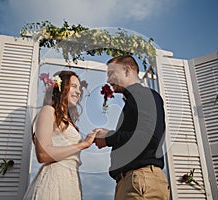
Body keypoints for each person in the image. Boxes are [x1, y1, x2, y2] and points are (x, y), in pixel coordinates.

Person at [94, 55, 169, 200]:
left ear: (127, 70)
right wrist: (108, 135)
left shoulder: (144, 95)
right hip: (132, 182)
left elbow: (149, 137)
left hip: (140, 182)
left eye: (111, 73)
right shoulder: (135, 99)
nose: (108, 80)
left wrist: (108, 138)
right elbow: (137, 135)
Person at [24, 70, 96, 200]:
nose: (79, 92)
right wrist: (83, 144)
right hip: (54, 180)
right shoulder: (48, 111)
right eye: (74, 86)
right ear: (61, 87)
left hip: (70, 181)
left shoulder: (67, 120)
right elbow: (42, 154)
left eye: (79, 88)